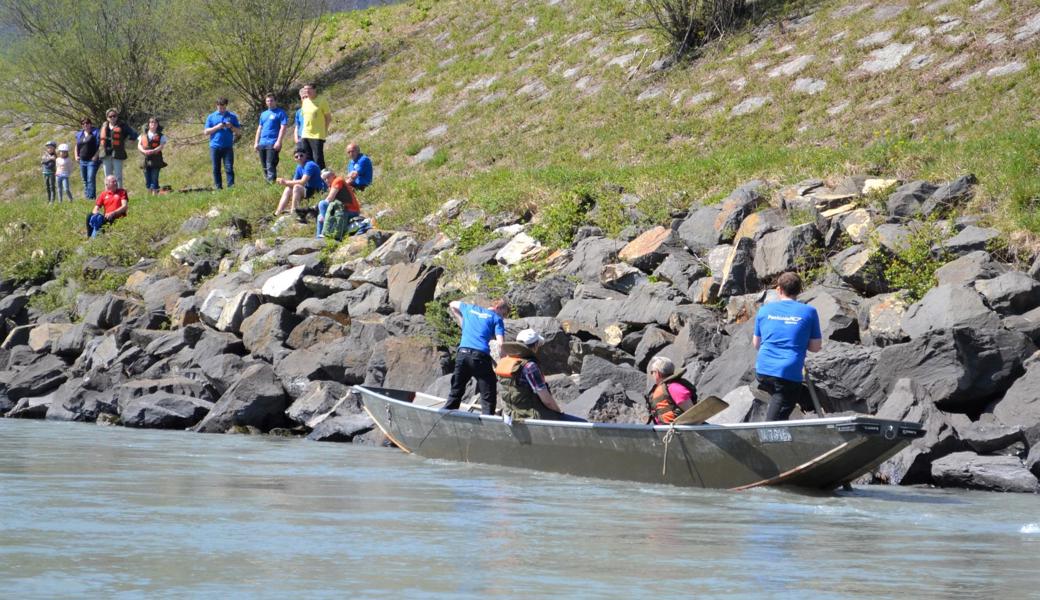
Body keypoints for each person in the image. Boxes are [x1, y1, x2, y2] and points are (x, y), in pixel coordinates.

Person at [753, 271, 823, 421]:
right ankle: (767, 438)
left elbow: (756, 344)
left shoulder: (764, 310)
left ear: (779, 289)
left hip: (763, 370)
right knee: (781, 404)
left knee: (788, 395)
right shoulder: (809, 311)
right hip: (787, 372)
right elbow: (815, 347)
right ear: (799, 290)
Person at [495, 329, 579, 421]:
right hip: (530, 416)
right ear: (535, 346)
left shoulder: (505, 362)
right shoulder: (530, 366)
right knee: (580, 423)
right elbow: (547, 402)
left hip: (509, 414)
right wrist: (559, 412)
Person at [444, 298, 509, 415]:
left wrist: (462, 321)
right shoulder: (496, 318)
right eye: (503, 314)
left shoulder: (470, 308)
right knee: (488, 392)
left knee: (456, 390)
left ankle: (446, 415)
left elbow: (452, 304)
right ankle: (488, 420)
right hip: (479, 357)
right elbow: (500, 343)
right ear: (498, 308)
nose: (503, 317)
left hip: (462, 354)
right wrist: (504, 362)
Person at [646, 356, 697, 425]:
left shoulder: (674, 388)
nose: (651, 375)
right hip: (664, 430)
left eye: (652, 372)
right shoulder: (664, 387)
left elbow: (693, 414)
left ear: (658, 373)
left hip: (677, 431)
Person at [204, 98, 241, 189]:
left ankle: (231, 188)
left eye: (223, 107)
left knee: (229, 168)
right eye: (220, 107)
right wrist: (217, 127)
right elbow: (206, 132)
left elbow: (239, 132)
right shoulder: (211, 116)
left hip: (227, 146)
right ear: (217, 106)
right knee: (216, 169)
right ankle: (218, 188)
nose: (221, 109)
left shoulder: (232, 116)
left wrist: (231, 126)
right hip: (215, 146)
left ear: (226, 106)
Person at [274, 150, 323, 215]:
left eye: (301, 155)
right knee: (288, 188)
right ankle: (277, 212)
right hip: (309, 189)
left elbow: (303, 181)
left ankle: (294, 211)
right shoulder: (299, 167)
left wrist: (286, 182)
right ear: (294, 159)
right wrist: (284, 182)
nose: (299, 158)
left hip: (318, 190)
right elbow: (294, 181)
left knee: (297, 187)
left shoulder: (310, 165)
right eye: (296, 157)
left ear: (306, 156)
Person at [254, 93, 288, 183]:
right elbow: (259, 129)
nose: (270, 102)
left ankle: (272, 182)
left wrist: (279, 141)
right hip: (262, 142)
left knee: (270, 164)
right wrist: (256, 142)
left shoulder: (281, 112)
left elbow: (283, 128)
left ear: (275, 101)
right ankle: (267, 182)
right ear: (266, 102)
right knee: (264, 165)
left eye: (271, 100)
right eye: (268, 101)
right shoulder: (263, 114)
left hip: (272, 142)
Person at [316, 168, 360, 238]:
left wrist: (321, 210)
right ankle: (319, 239)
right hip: (342, 209)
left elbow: (330, 199)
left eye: (328, 177)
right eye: (324, 179)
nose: (326, 180)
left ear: (333, 175)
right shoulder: (332, 184)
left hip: (351, 210)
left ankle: (328, 229)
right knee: (319, 217)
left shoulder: (337, 180)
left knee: (322, 204)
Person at [98, 108, 137, 188]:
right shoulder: (104, 126)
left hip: (118, 153)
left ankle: (119, 195)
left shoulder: (123, 126)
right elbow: (100, 139)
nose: (112, 118)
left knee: (118, 176)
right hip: (106, 154)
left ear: (117, 116)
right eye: (110, 116)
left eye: (114, 116)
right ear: (107, 118)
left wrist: (125, 142)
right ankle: (108, 196)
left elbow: (134, 135)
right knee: (107, 177)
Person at [298, 83, 331, 168]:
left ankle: (322, 177)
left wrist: (324, 130)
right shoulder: (305, 101)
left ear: (314, 90)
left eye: (309, 89)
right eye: (305, 89)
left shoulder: (322, 100)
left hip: (317, 134)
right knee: (307, 158)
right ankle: (311, 177)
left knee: (318, 158)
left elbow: (328, 118)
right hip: (305, 134)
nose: (307, 91)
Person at [137, 116, 168, 195]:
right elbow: (139, 145)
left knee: (155, 176)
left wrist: (154, 150)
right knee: (147, 177)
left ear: (157, 124)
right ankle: (149, 193)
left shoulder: (161, 136)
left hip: (156, 159)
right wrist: (144, 151)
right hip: (145, 159)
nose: (153, 124)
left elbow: (162, 145)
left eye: (155, 122)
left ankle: (155, 194)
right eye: (151, 122)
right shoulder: (142, 135)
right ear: (148, 124)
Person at [74, 117, 101, 200]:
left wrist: (96, 156)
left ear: (90, 124)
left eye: (87, 123)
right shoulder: (80, 134)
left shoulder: (96, 132)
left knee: (90, 179)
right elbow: (76, 145)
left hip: (92, 160)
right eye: (83, 123)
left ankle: (91, 197)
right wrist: (76, 155)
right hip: (82, 160)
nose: (85, 125)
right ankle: (87, 197)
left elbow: (101, 145)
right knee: (85, 179)